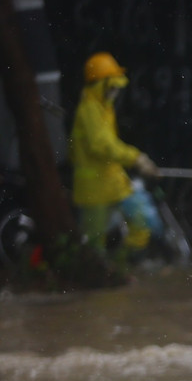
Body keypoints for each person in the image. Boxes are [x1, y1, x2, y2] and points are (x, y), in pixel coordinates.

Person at [69, 52, 162, 253]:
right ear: (100, 83)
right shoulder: (90, 110)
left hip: (112, 183)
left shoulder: (103, 107)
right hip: (94, 190)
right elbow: (102, 145)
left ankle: (126, 267)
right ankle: (113, 273)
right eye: (112, 85)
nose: (115, 91)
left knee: (141, 224)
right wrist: (135, 158)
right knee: (95, 243)